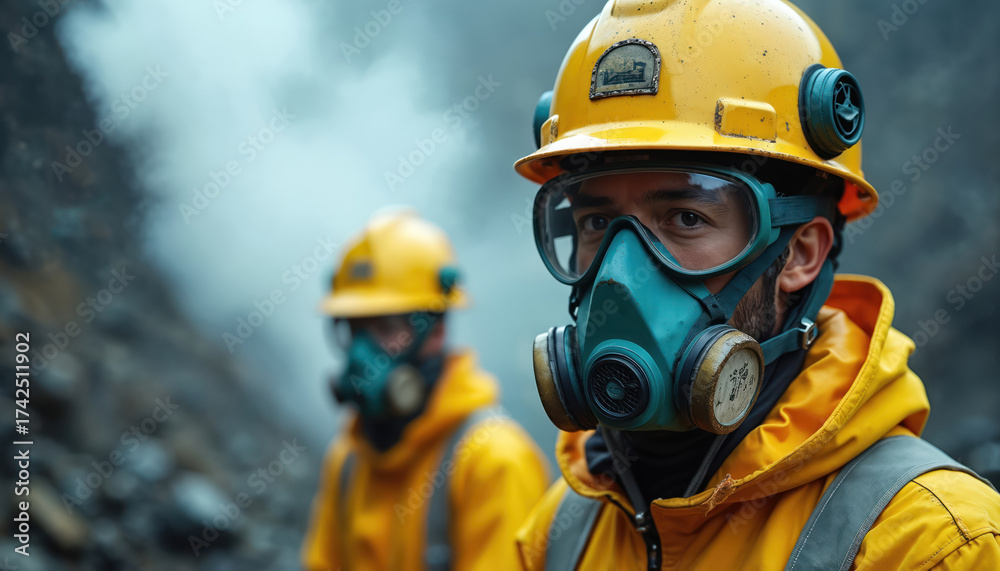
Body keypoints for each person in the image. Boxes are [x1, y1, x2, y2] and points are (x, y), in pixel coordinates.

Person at [512, 0, 1000, 569]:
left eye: (685, 218)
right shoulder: (559, 532)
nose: (622, 276)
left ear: (799, 253)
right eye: (596, 223)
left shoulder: (934, 543)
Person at [301, 209, 549, 570]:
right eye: (355, 329)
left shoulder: (494, 463)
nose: (361, 353)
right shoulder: (348, 459)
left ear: (435, 331)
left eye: (385, 326)